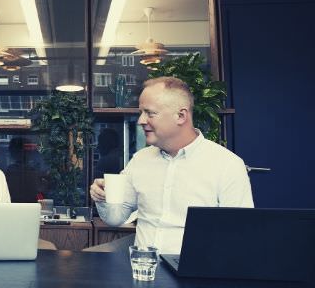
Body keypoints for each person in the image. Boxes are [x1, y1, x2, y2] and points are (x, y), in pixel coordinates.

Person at [89, 76, 254, 254]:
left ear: (181, 116)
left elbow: (240, 234)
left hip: (195, 275)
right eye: (141, 113)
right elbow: (116, 218)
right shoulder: (140, 160)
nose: (141, 120)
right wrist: (103, 198)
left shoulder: (227, 165)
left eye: (150, 113)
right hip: (142, 271)